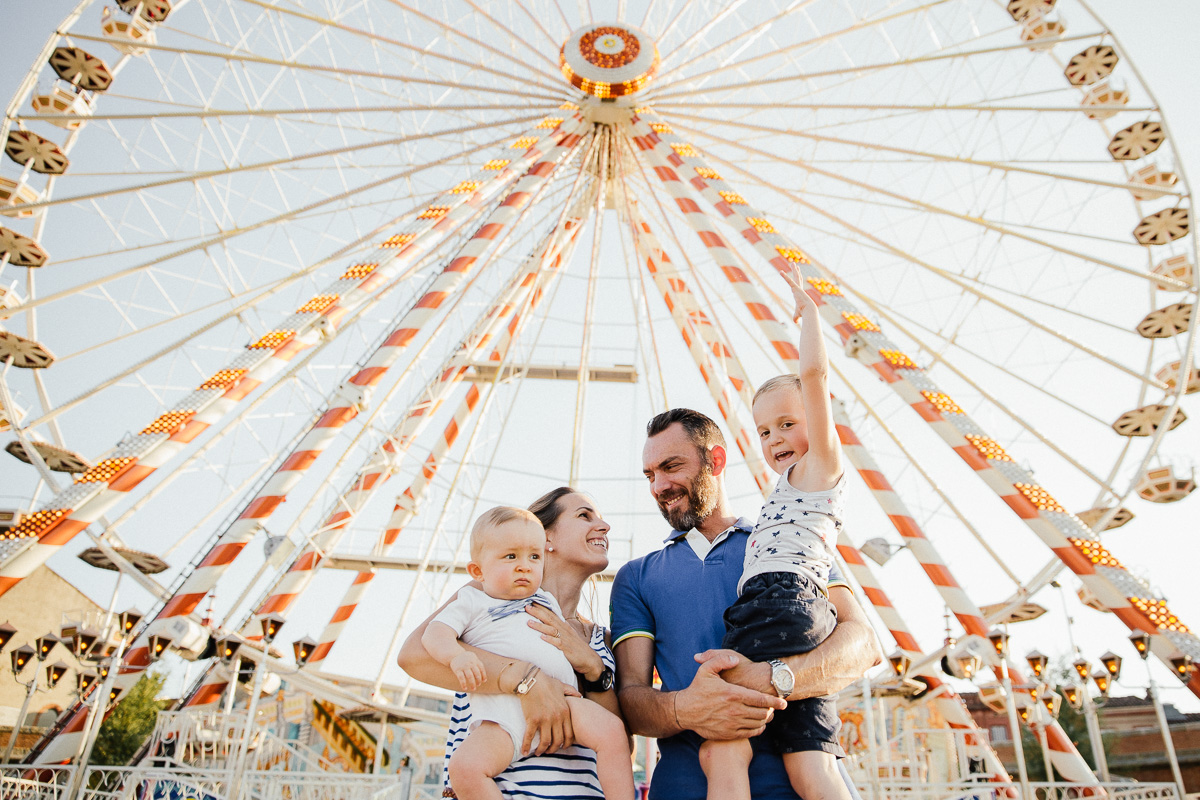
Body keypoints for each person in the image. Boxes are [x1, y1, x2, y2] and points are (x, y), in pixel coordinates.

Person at [611, 401, 883, 800]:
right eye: (650, 475)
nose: (658, 486)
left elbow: (863, 646)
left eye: (671, 467)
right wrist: (688, 707)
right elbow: (630, 699)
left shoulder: (787, 545)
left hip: (800, 783)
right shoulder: (636, 576)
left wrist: (773, 678)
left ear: (715, 460)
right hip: (684, 787)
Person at [698, 261, 850, 800]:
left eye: (789, 422)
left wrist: (809, 314)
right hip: (792, 609)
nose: (776, 437)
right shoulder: (784, 491)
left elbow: (814, 378)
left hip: (779, 602)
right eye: (765, 430)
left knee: (723, 746)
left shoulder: (818, 473)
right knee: (809, 761)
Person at [398, 489, 622, 799]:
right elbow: (415, 654)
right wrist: (526, 678)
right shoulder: (486, 594)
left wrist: (594, 668)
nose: (604, 526)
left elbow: (618, 739)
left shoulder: (602, 638)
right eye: (584, 516)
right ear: (545, 538)